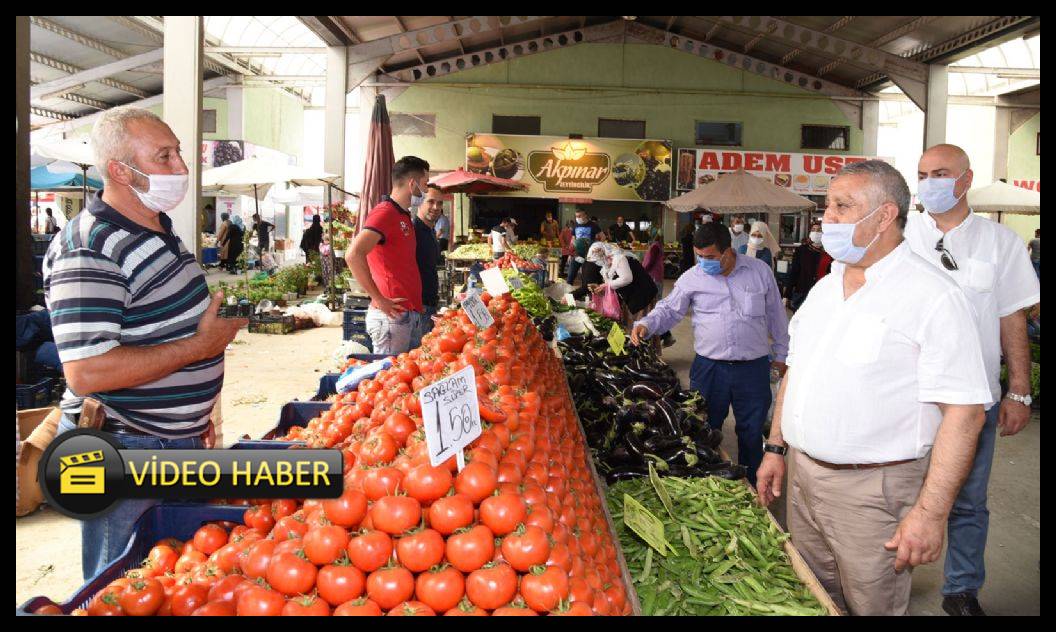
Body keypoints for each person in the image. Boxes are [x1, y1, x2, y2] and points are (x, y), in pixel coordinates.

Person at [755, 160, 992, 616]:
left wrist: (929, 514)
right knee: (813, 596)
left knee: (871, 604)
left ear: (884, 216)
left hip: (873, 493)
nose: (828, 218)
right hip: (805, 482)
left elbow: (966, 414)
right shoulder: (826, 289)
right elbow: (797, 372)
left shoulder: (932, 296)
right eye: (828, 206)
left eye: (843, 206)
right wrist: (776, 448)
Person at [43, 106, 245, 580]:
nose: (182, 169)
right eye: (165, 156)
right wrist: (200, 348)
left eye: (180, 154)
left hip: (171, 442)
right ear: (120, 170)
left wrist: (194, 418)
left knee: (176, 580)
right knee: (125, 583)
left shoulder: (157, 227)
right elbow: (87, 371)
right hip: (125, 447)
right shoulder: (89, 246)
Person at [905, 144, 1041, 616]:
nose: (929, 183)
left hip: (974, 400)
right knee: (895, 494)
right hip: (907, 397)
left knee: (967, 501)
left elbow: (1012, 319)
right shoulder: (898, 236)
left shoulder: (999, 243)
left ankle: (961, 589)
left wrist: (1019, 390)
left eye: (940, 173)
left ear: (965, 179)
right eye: (922, 174)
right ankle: (885, 583)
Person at [631, 223, 788, 486]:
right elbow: (669, 309)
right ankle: (708, 486)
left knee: (751, 433)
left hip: (753, 369)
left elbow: (776, 317)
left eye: (711, 257)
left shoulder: (759, 272)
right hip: (709, 368)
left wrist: (782, 356)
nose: (704, 262)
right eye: (699, 256)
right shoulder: (692, 278)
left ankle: (752, 488)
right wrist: (646, 324)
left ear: (728, 252)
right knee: (703, 429)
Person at [346, 156, 428, 355]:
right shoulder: (385, 213)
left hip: (407, 314)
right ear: (412, 183)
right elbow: (353, 254)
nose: (424, 191)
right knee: (390, 379)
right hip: (392, 318)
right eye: (424, 184)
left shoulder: (403, 215)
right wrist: (378, 298)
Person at [412, 184, 444, 349]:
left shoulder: (430, 230)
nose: (436, 207)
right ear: (420, 202)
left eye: (439, 203)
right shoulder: (413, 230)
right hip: (418, 308)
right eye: (431, 202)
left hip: (428, 304)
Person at [594, 243, 658, 323]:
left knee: (643, 325)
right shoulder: (608, 263)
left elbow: (626, 278)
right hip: (633, 296)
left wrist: (607, 285)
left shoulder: (619, 259)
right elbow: (614, 283)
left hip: (642, 296)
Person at [783, 221, 832, 312]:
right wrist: (787, 295)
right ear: (809, 232)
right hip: (802, 293)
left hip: (822, 293)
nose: (816, 232)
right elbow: (794, 272)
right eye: (813, 230)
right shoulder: (802, 250)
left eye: (819, 230)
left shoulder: (829, 252)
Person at [567, 209, 601, 285]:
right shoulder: (575, 225)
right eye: (576, 216)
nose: (577, 218)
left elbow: (603, 237)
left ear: (585, 215)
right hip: (576, 254)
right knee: (570, 275)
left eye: (579, 216)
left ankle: (585, 293)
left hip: (589, 255)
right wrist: (570, 253)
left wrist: (596, 248)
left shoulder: (593, 225)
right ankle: (568, 294)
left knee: (586, 277)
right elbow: (573, 240)